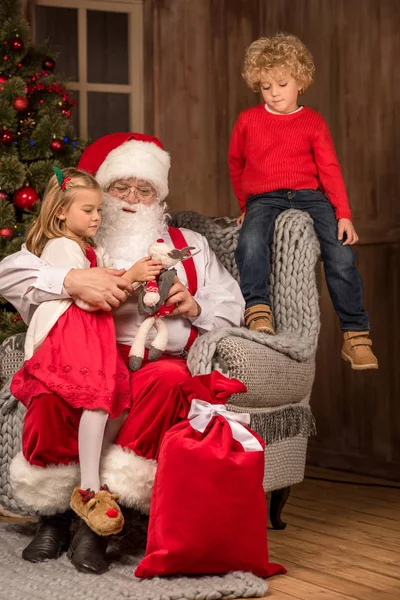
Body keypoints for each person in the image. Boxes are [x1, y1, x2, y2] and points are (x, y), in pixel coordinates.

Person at [0, 132, 244, 574]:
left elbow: (232, 305)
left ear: (159, 196)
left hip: (153, 360)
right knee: (54, 392)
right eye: (120, 187)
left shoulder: (188, 244)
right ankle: (53, 515)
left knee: (170, 382)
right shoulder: (78, 237)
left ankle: (103, 520)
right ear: (102, 193)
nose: (132, 197)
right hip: (84, 355)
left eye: (144, 188)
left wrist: (197, 306)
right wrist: (69, 282)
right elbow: (9, 274)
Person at [9, 167, 162, 538]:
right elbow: (87, 297)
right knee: (97, 402)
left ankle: (91, 481)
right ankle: (89, 487)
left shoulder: (88, 248)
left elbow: (104, 286)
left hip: (91, 336)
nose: (96, 218)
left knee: (106, 402)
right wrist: (130, 275)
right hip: (74, 336)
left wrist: (135, 278)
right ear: (61, 212)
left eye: (98, 211)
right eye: (88, 210)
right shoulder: (62, 246)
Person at [229, 33, 378, 370]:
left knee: (341, 254)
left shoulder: (312, 122)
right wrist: (245, 206)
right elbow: (236, 164)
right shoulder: (248, 121)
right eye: (266, 86)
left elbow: (329, 168)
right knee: (250, 241)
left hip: (311, 196)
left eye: (282, 83)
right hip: (264, 198)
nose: (274, 92)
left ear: (300, 83)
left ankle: (356, 336)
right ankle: (258, 311)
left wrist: (344, 214)